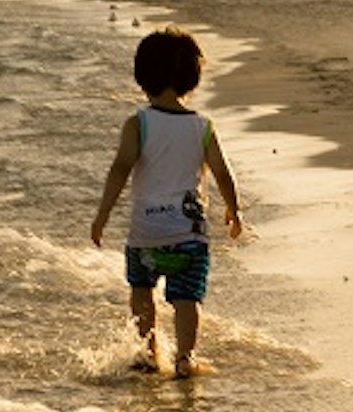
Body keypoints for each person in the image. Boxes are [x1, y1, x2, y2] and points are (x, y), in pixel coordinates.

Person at [88, 28, 244, 378]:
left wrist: (102, 216)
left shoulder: (138, 124)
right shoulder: (203, 127)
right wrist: (235, 210)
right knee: (187, 299)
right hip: (189, 235)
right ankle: (185, 358)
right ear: (192, 79)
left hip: (147, 233)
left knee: (142, 293)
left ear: (142, 77)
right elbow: (223, 173)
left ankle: (147, 353)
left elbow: (120, 169)